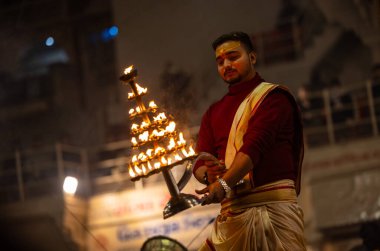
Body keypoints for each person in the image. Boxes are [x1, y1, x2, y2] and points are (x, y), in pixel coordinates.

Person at [193, 31, 306, 250]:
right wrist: (210, 176)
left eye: (233, 57)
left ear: (252, 57)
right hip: (231, 216)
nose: (226, 64)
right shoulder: (212, 112)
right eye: (220, 61)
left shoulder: (273, 98)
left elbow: (254, 147)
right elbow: (199, 160)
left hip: (273, 213)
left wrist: (223, 183)